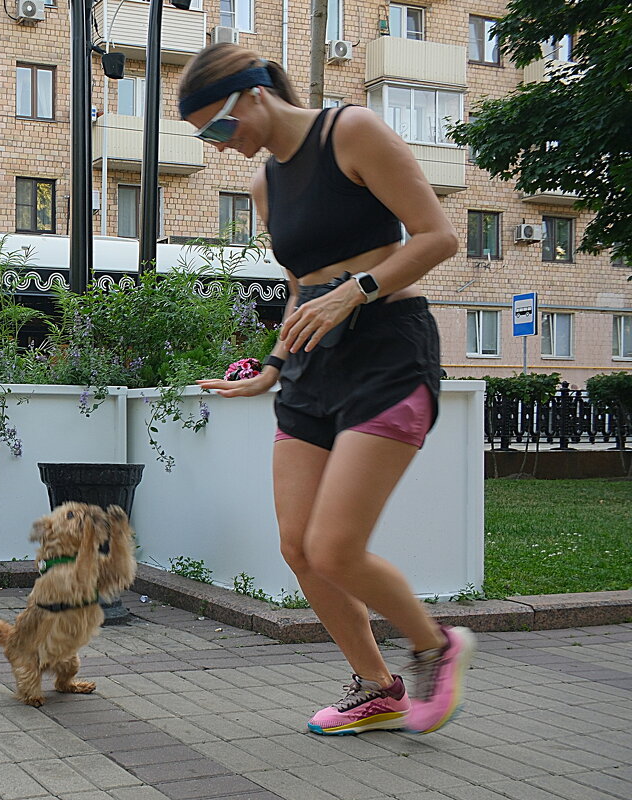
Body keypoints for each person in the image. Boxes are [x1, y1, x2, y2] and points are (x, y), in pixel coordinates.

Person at [183, 44, 475, 735]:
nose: (221, 147)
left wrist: (357, 291)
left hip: (387, 352)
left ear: (253, 94)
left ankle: (437, 647)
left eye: (220, 128)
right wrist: (273, 366)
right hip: (313, 367)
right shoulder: (265, 185)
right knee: (298, 546)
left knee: (337, 546)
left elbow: (439, 237)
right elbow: (299, 291)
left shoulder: (351, 132)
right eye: (207, 138)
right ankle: (378, 686)